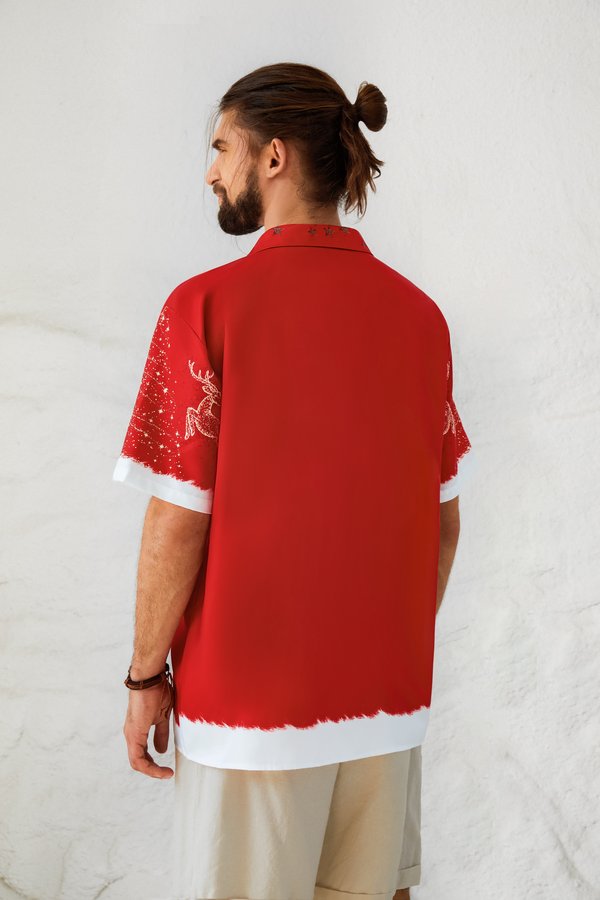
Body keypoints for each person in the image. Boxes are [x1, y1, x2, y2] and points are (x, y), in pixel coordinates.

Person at [114, 62, 475, 900]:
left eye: (221, 147)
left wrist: (144, 678)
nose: (210, 171)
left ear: (273, 156)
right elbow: (444, 522)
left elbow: (178, 519)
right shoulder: (420, 318)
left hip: (251, 717)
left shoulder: (205, 307)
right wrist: (374, 644)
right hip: (386, 713)